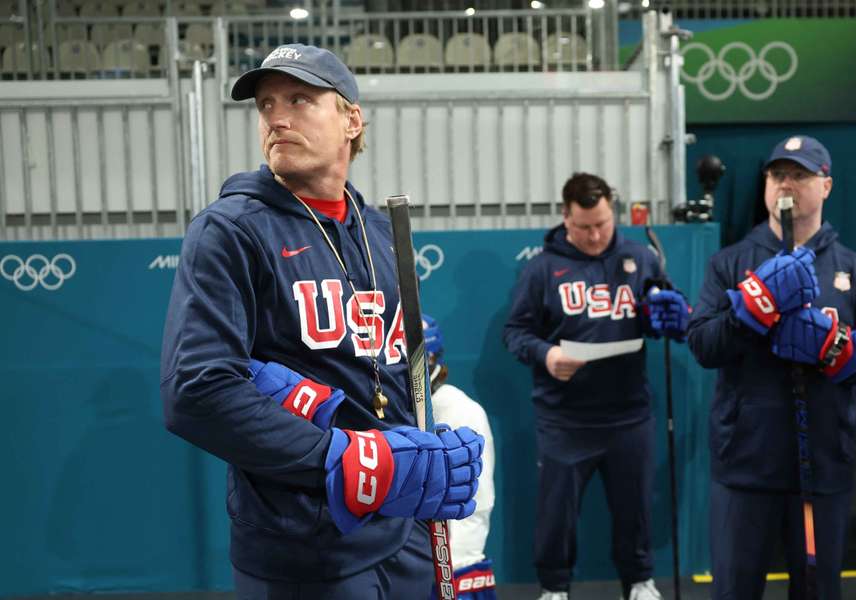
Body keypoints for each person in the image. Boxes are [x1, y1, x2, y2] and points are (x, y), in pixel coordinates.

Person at [160, 43, 483, 600]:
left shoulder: (380, 230)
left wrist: (427, 455)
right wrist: (343, 458)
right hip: (301, 543)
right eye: (266, 105)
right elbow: (196, 390)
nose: (276, 118)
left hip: (400, 530)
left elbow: (389, 377)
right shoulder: (231, 230)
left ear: (351, 119)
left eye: (300, 100)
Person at [686, 135, 856, 600]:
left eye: (799, 174)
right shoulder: (730, 264)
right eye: (777, 173)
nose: (786, 182)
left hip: (820, 470)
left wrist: (837, 349)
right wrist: (750, 309)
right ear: (764, 184)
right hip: (745, 467)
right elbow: (702, 344)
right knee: (734, 592)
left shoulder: (854, 271)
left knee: (816, 592)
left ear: (826, 186)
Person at [503, 172, 691, 600]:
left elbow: (674, 313)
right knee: (556, 515)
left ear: (613, 214)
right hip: (565, 418)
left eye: (603, 224)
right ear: (565, 218)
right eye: (584, 226)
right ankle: (554, 588)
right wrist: (547, 355)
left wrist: (670, 313)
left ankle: (640, 582)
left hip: (629, 413)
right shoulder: (543, 268)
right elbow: (515, 332)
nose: (595, 235)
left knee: (636, 510)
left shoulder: (640, 257)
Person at [423, 314, 498, 600]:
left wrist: (454, 563)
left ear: (430, 359)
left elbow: (476, 503)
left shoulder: (460, 412)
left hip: (449, 566)